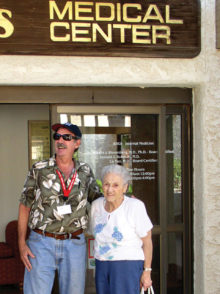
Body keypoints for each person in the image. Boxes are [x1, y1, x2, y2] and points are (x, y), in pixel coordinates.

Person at [18, 122, 102, 294]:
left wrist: (123, 200)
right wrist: (21, 243)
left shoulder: (85, 171)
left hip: (74, 243)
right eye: (57, 136)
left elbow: (97, 199)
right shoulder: (39, 169)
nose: (60, 140)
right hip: (41, 243)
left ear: (77, 143)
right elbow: (24, 205)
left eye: (67, 137)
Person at [90, 164, 153, 294]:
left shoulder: (135, 206)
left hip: (126, 266)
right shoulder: (96, 206)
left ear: (125, 188)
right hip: (102, 264)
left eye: (116, 185)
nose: (110, 189)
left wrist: (147, 272)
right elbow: (93, 232)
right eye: (106, 184)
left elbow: (147, 241)